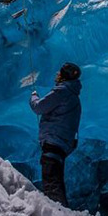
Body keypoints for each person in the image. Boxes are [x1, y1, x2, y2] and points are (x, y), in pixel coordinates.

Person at [29, 62, 82, 207]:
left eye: (60, 73)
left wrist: (33, 96)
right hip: (61, 147)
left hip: (52, 143)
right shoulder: (75, 99)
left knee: (52, 185)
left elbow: (39, 107)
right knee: (56, 182)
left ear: (64, 76)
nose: (57, 74)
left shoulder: (62, 91)